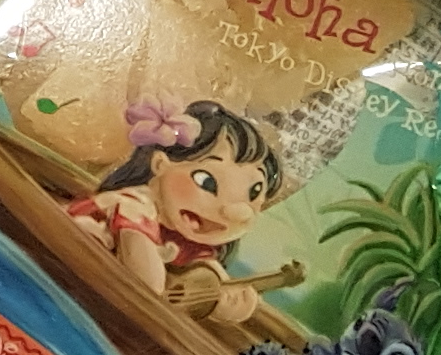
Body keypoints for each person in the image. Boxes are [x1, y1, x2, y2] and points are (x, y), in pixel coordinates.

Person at [66, 100, 283, 329]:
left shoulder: (182, 231)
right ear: (160, 164)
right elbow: (149, 286)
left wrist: (227, 300)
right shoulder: (134, 205)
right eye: (206, 182)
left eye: (254, 192)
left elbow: (205, 270)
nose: (235, 211)